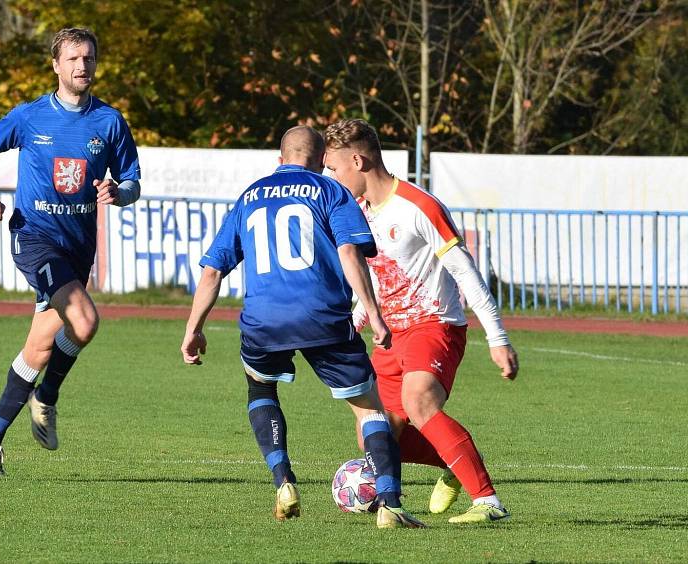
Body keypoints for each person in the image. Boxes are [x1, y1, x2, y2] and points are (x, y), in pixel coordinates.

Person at [181, 126, 424, 529]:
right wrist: (374, 313)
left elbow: (212, 271)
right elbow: (349, 252)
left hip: (264, 320)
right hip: (322, 316)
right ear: (320, 161)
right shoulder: (331, 192)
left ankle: (283, 482)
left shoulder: (250, 196)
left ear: (280, 160)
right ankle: (390, 504)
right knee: (368, 408)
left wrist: (194, 328)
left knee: (261, 388)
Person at [323, 118, 519, 524]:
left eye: (334, 169)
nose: (331, 178)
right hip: (389, 335)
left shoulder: (418, 206)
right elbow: (375, 281)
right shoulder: (356, 213)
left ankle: (488, 502)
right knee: (374, 433)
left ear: (357, 161)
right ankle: (454, 460)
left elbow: (467, 273)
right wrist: (353, 323)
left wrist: (498, 339)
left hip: (434, 325)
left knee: (419, 401)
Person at [0, 27, 141, 477]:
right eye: (72, 59)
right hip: (34, 237)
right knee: (85, 320)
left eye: (88, 58)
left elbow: (132, 183)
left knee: (41, 346)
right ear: (56, 65)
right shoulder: (30, 117)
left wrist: (118, 193)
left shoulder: (109, 122)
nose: (81, 66)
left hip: (76, 248)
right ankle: (46, 398)